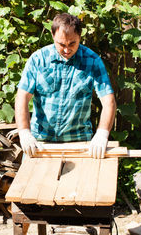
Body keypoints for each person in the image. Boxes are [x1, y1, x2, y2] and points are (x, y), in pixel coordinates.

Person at [15, 13, 116, 159]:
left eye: (72, 44)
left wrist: (102, 133)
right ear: (52, 35)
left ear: (80, 36)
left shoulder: (93, 61)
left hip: (80, 143)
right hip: (40, 143)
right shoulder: (38, 60)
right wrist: (24, 132)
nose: (67, 50)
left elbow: (109, 102)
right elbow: (22, 98)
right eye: (61, 44)